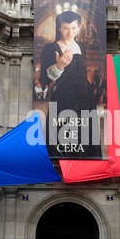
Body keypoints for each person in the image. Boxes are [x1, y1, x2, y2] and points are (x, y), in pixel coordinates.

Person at [39, 10, 101, 159]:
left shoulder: (81, 46)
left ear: (78, 27)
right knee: (60, 134)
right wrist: (58, 66)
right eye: (66, 28)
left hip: (84, 98)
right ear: (59, 27)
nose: (70, 32)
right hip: (63, 97)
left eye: (74, 28)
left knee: (85, 135)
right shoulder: (50, 48)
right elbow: (44, 79)